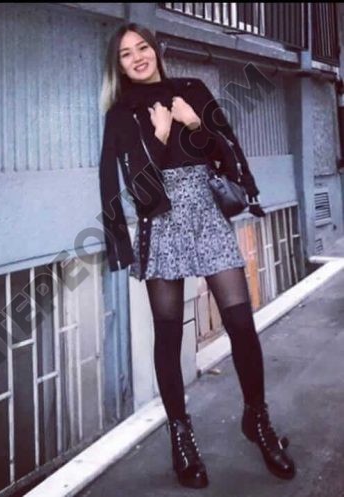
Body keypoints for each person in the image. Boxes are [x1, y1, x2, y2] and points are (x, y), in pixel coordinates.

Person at [98, 22, 296, 489]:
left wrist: (193, 124)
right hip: (161, 220)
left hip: (206, 212)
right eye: (126, 54)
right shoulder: (121, 114)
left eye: (143, 47)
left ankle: (257, 419)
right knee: (168, 336)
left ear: (156, 50)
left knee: (241, 324)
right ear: (119, 66)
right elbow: (138, 190)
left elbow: (224, 156)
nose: (138, 57)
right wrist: (161, 136)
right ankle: (181, 437)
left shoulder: (192, 90)